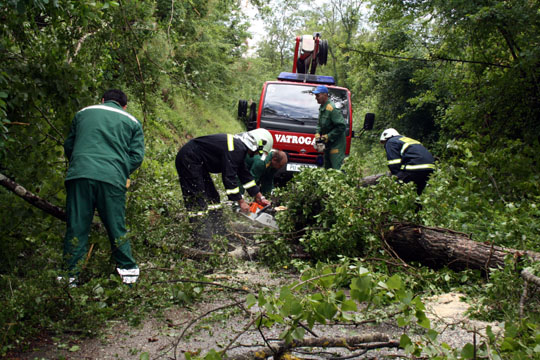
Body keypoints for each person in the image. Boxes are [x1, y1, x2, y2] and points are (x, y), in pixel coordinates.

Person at [62, 89, 145, 285]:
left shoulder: (83, 113)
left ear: (102, 100)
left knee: (76, 227)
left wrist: (80, 164)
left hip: (79, 175)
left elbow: (69, 146)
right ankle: (129, 277)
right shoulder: (132, 121)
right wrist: (120, 170)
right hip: (112, 178)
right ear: (124, 105)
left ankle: (68, 281)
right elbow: (136, 156)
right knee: (116, 227)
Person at [175, 128, 273, 214]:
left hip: (198, 163)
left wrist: (259, 196)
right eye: (259, 152)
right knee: (197, 199)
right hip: (189, 159)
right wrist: (241, 202)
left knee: (213, 198)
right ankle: (199, 231)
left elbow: (244, 175)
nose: (256, 154)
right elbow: (229, 177)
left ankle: (217, 227)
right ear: (256, 145)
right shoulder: (237, 149)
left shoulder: (239, 148)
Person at [380, 128, 435, 195]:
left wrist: (396, 177)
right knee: (417, 194)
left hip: (414, 168)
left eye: (384, 142)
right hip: (429, 168)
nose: (385, 144)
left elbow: (394, 163)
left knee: (392, 188)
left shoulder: (390, 142)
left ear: (386, 137)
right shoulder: (407, 140)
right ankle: (416, 205)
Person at [312, 85, 347, 170]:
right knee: (327, 169)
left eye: (318, 95)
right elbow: (320, 124)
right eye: (315, 95)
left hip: (336, 145)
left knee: (336, 170)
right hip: (327, 145)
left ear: (325, 95)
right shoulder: (322, 108)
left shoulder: (332, 109)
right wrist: (317, 133)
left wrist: (328, 136)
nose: (316, 98)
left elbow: (342, 126)